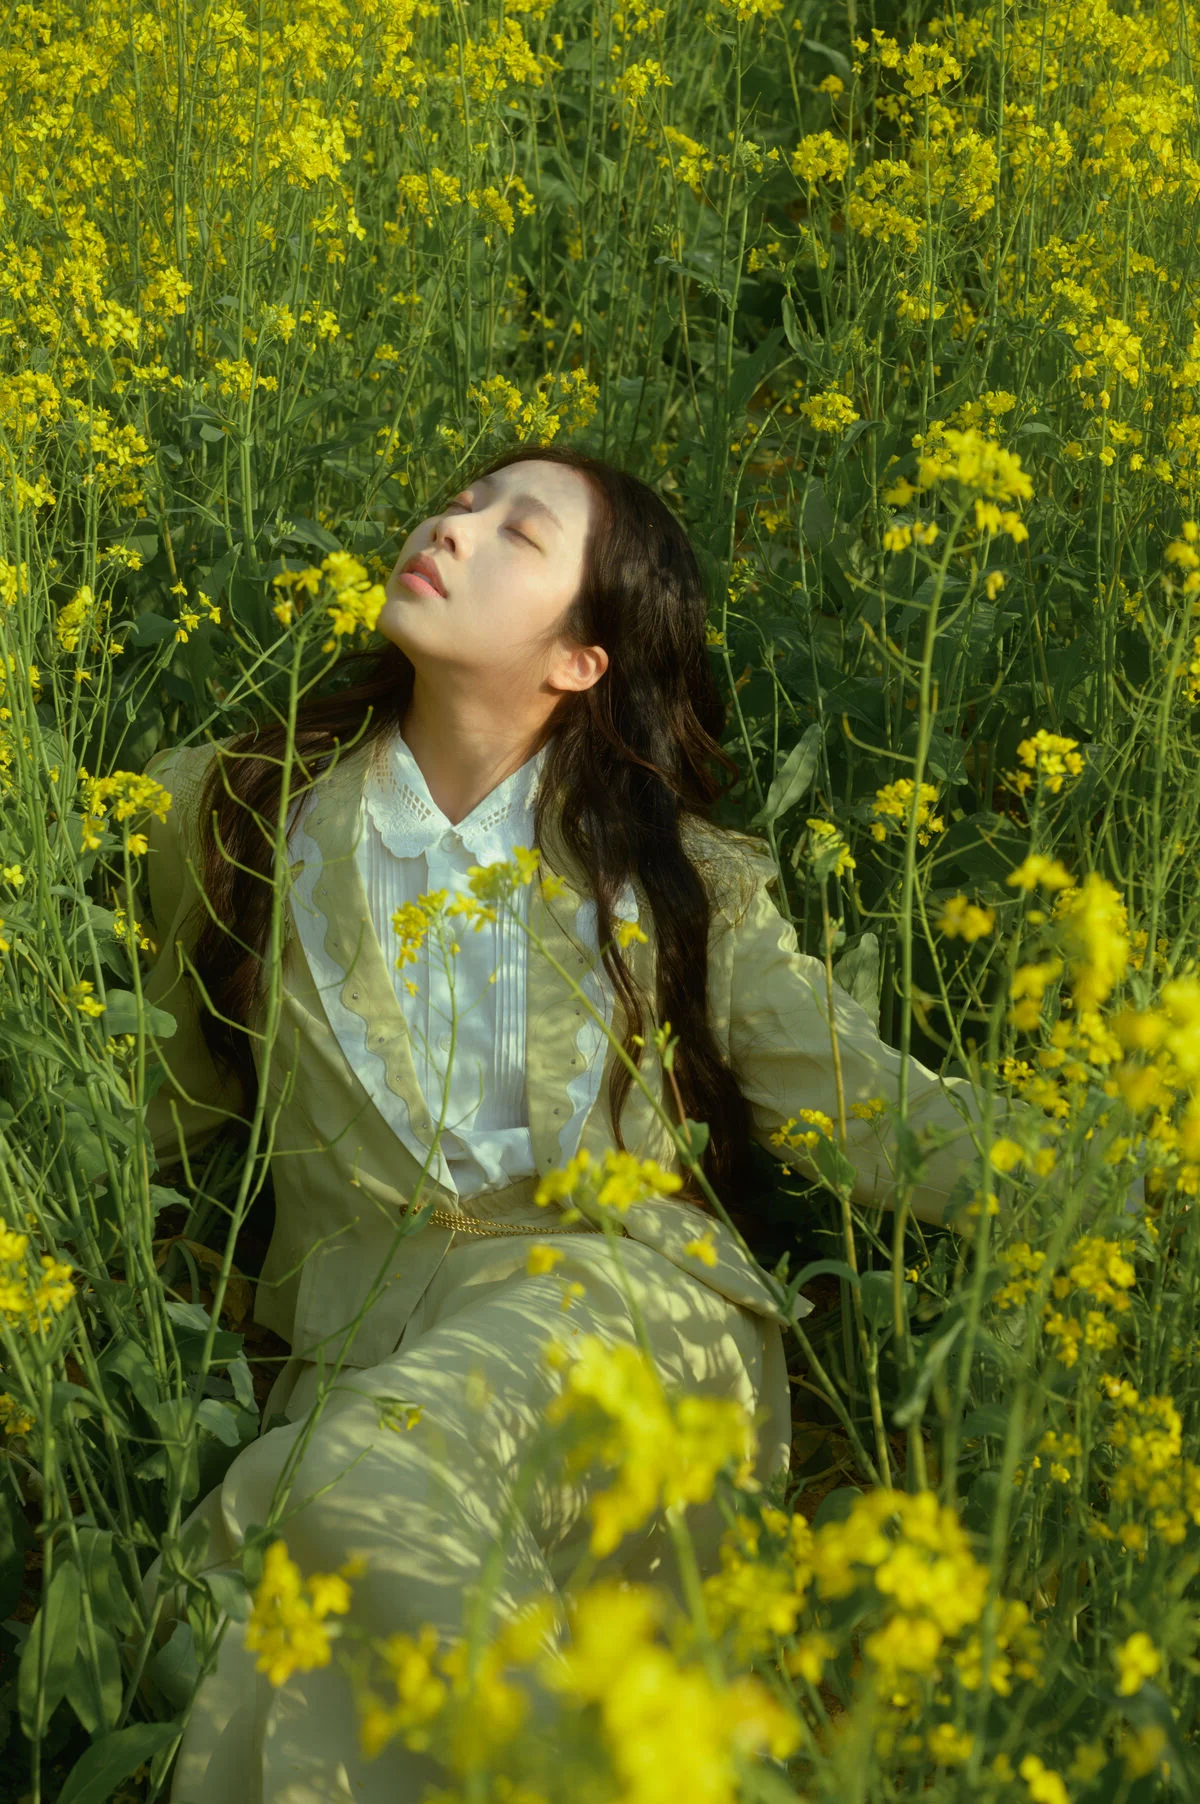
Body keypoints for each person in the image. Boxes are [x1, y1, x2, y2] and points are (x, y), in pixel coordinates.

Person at [138, 448, 1017, 1803]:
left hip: (618, 1320)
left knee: (362, 1498)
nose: (452, 526)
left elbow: (876, 1109)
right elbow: (161, 1098)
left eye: (518, 532)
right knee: (286, 1577)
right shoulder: (238, 807)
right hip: (365, 1349)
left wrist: (1140, 1167)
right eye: (459, 503)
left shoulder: (677, 886)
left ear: (581, 659)